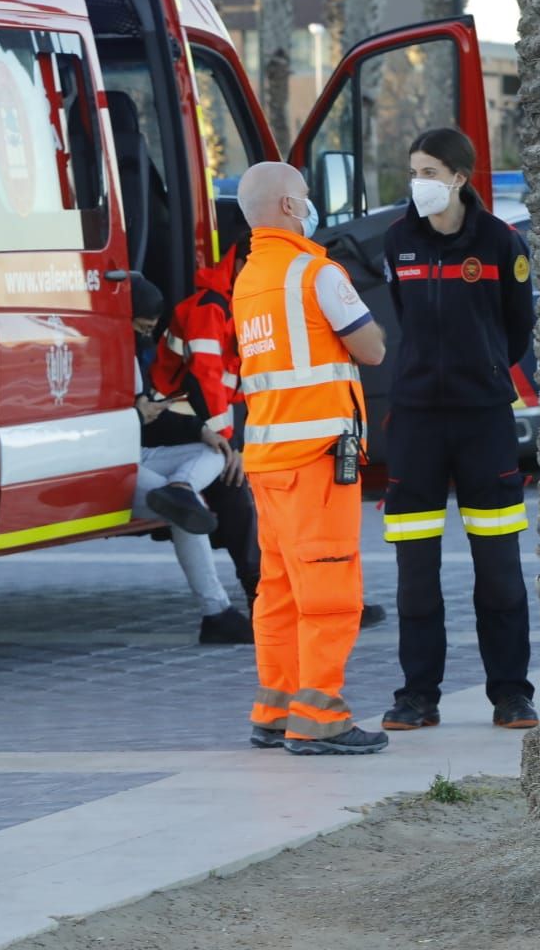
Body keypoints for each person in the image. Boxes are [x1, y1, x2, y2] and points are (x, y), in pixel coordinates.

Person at [152, 208, 383, 627]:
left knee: (275, 511)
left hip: (225, 422)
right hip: (185, 417)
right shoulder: (211, 307)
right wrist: (227, 443)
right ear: (240, 263)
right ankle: (272, 596)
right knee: (249, 498)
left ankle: (304, 597)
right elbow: (206, 379)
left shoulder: (235, 300)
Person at [379, 128, 539, 733]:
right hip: (416, 423)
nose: (417, 183)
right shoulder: (398, 243)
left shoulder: (502, 244)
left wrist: (483, 369)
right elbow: (404, 322)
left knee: (498, 568)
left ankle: (511, 694)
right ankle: (418, 695)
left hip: (484, 423)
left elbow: (516, 329)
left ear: (459, 178)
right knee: (415, 574)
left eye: (427, 171)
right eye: (413, 171)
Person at [232, 162, 390, 756]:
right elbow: (371, 349)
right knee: (329, 589)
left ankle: (274, 710)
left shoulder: (248, 279)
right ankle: (319, 717)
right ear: (288, 208)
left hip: (268, 457)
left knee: (277, 591)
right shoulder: (316, 272)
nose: (310, 205)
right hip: (318, 459)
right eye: (303, 196)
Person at [131, 274, 255, 645]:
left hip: (144, 455)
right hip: (113, 463)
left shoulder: (131, 354)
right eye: (141, 328)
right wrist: (139, 414)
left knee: (214, 456)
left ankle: (183, 486)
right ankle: (217, 613)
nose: (147, 337)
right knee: (183, 510)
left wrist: (207, 434)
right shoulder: (210, 311)